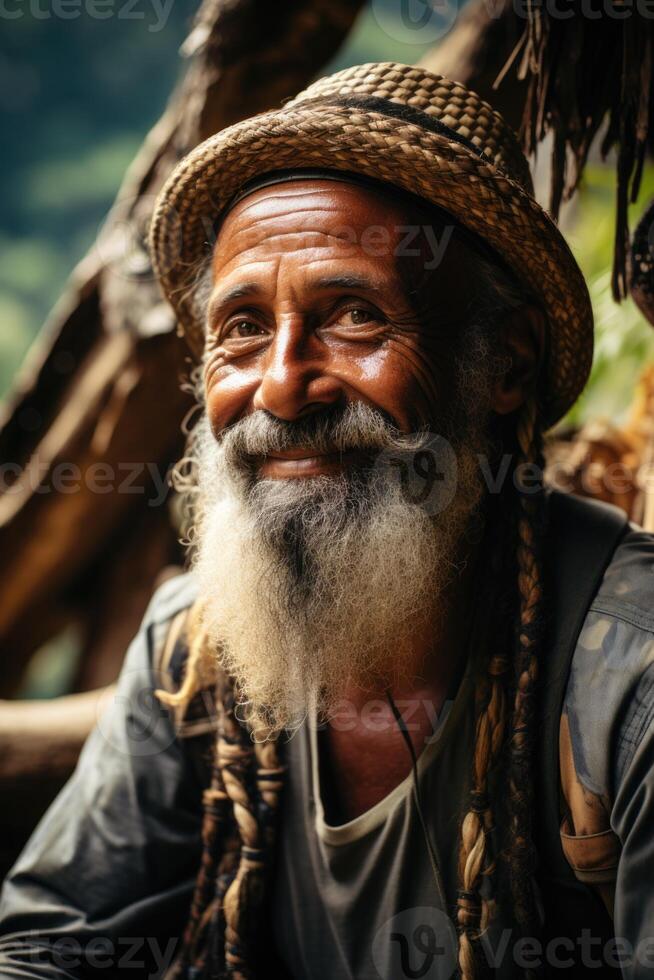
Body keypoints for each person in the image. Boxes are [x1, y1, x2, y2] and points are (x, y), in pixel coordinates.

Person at [2, 61, 654, 980]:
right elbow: (47, 948)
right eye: (241, 328)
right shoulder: (194, 649)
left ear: (502, 367)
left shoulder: (632, 680)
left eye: (353, 315)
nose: (280, 385)